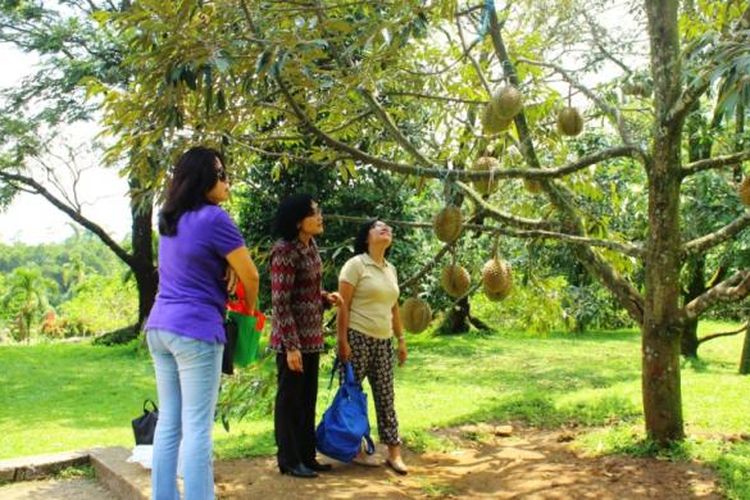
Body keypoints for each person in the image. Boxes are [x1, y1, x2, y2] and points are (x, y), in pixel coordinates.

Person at [145, 146, 259, 500]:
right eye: (221, 173)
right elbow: (251, 276)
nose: (227, 181)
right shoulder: (215, 218)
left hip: (159, 327)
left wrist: (224, 264)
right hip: (196, 330)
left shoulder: (169, 218)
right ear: (202, 177)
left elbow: (197, 260)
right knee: (196, 429)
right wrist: (246, 316)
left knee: (170, 424)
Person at [270, 194, 341, 478]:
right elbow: (281, 302)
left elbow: (306, 293)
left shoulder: (310, 246)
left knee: (307, 398)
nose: (320, 216)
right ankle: (289, 459)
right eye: (314, 213)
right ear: (299, 221)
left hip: (312, 338)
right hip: (293, 341)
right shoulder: (285, 251)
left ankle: (307, 455)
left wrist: (325, 298)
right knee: (290, 400)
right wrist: (291, 346)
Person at [336, 219, 409, 475]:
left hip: (383, 340)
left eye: (388, 227)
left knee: (386, 396)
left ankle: (394, 452)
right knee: (352, 394)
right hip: (357, 337)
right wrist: (342, 341)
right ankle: (355, 449)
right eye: (378, 226)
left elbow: (394, 307)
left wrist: (400, 339)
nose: (385, 228)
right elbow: (342, 305)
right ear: (367, 236)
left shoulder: (391, 269)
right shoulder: (356, 265)